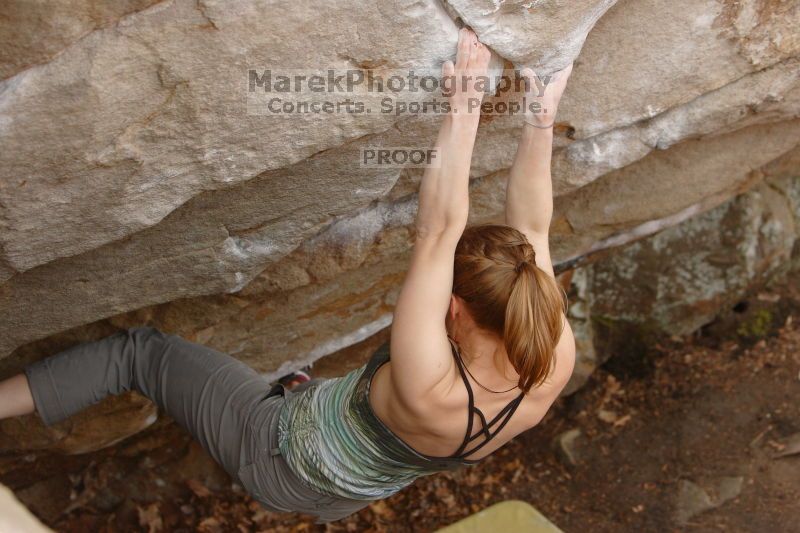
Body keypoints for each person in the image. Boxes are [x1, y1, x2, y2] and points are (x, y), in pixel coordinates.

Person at [0, 28, 576, 524]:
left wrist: (463, 105)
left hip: (276, 458)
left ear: (454, 306)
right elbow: (535, 228)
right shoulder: (553, 356)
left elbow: (439, 229)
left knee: (139, 353)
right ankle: (297, 392)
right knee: (314, 387)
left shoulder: (429, 381)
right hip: (348, 490)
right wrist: (540, 123)